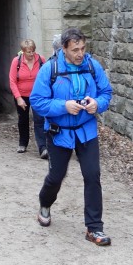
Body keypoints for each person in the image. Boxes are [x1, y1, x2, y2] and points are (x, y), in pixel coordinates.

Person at [29, 27, 114, 247]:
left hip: (86, 130)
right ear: (64, 49)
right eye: (75, 50)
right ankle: (45, 203)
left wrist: (97, 104)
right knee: (56, 176)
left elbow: (106, 92)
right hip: (59, 133)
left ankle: (94, 228)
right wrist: (64, 106)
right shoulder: (50, 69)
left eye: (83, 48)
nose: (80, 53)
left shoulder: (92, 65)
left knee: (92, 175)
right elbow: (37, 101)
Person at [9, 39, 48, 156]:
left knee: (39, 120)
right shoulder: (17, 61)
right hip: (22, 95)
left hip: (37, 96)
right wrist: (18, 98)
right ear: (23, 51)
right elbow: (12, 81)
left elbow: (47, 77)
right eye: (28, 52)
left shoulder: (41, 60)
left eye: (33, 51)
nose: (31, 54)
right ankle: (23, 143)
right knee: (23, 120)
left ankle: (43, 148)